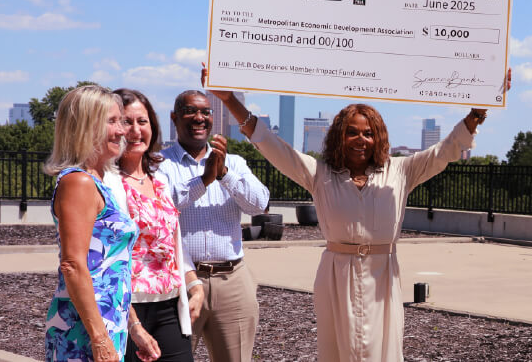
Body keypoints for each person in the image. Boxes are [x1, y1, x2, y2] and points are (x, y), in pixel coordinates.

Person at [204, 65, 511, 361]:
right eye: (352, 132)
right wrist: (230, 100)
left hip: (383, 275)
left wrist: (477, 113)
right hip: (336, 276)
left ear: (378, 138)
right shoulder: (320, 174)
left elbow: (444, 151)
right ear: (340, 136)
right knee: (338, 349)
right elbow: (273, 146)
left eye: (368, 133)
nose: (361, 140)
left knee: (383, 350)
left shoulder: (401, 171)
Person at [157, 89, 270, 361]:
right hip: (178, 282)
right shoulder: (159, 164)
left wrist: (224, 175)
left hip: (232, 279)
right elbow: (160, 207)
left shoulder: (234, 163)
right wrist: (203, 181)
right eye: (190, 111)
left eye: (205, 112)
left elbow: (259, 204)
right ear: (174, 117)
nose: (199, 118)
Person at [43, 85, 138, 362]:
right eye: (112, 121)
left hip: (103, 323)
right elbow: (73, 265)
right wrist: (99, 338)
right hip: (85, 330)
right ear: (85, 127)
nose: (122, 131)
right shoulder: (79, 182)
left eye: (120, 121)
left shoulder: (96, 182)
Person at [110, 88, 203, 362]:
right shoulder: (106, 182)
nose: (136, 130)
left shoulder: (160, 180)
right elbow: (104, 261)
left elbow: (171, 247)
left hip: (170, 308)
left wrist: (194, 284)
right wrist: (133, 323)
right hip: (125, 310)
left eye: (143, 121)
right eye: (127, 122)